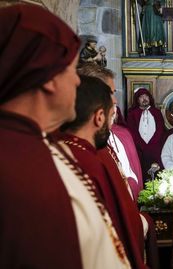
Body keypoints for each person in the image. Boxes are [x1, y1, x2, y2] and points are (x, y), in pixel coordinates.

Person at [0, 4, 128, 268]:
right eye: (71, 70)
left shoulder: (45, 146)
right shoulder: (20, 166)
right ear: (48, 77)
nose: (78, 82)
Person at [59, 76, 146, 269]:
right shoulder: (94, 162)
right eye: (110, 113)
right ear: (99, 117)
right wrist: (144, 223)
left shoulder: (55, 151)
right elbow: (118, 229)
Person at [77, 62, 144, 199]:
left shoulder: (122, 135)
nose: (115, 101)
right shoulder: (83, 147)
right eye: (109, 94)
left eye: (114, 94)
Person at [127, 87, 166, 180]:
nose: (144, 99)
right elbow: (132, 132)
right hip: (139, 150)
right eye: (141, 97)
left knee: (155, 175)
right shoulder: (132, 113)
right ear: (137, 99)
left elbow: (160, 130)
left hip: (155, 150)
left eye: (146, 96)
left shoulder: (156, 112)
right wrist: (142, 145)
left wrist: (151, 145)